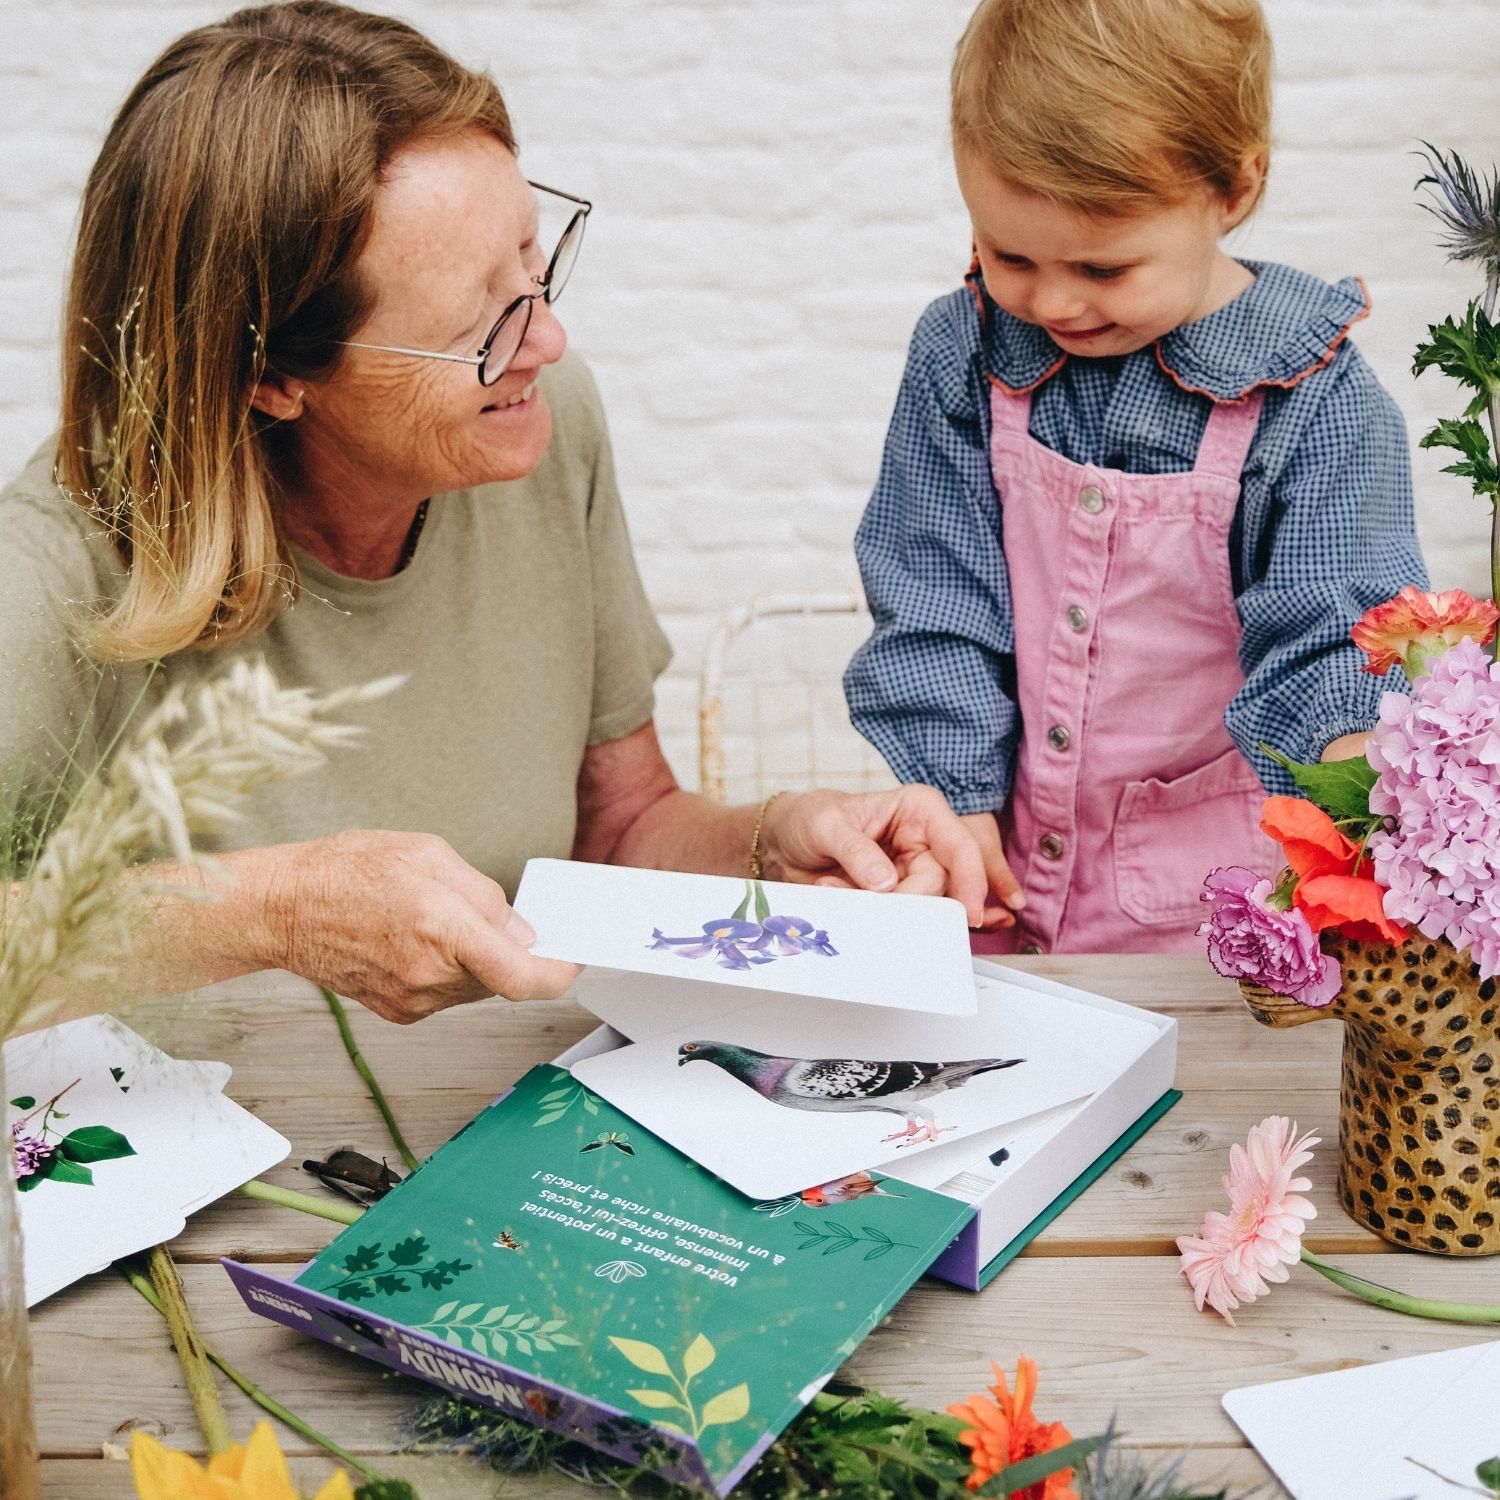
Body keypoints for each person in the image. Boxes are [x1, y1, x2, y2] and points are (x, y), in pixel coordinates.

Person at [0, 0, 985, 1024]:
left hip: (513, 1127)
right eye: (484, 321)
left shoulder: (540, 427)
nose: (547, 339)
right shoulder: (58, 566)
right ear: (271, 378)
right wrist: (270, 912)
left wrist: (772, 841)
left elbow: (618, 827)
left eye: (534, 258)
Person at [843, 0, 1428, 957]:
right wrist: (957, 807)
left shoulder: (1315, 401)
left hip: (1222, 922)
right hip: (993, 883)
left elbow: (1332, 635)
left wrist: (1371, 792)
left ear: (1233, 190)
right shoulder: (963, 353)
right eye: (1010, 255)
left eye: (1105, 267)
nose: (1054, 301)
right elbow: (935, 598)